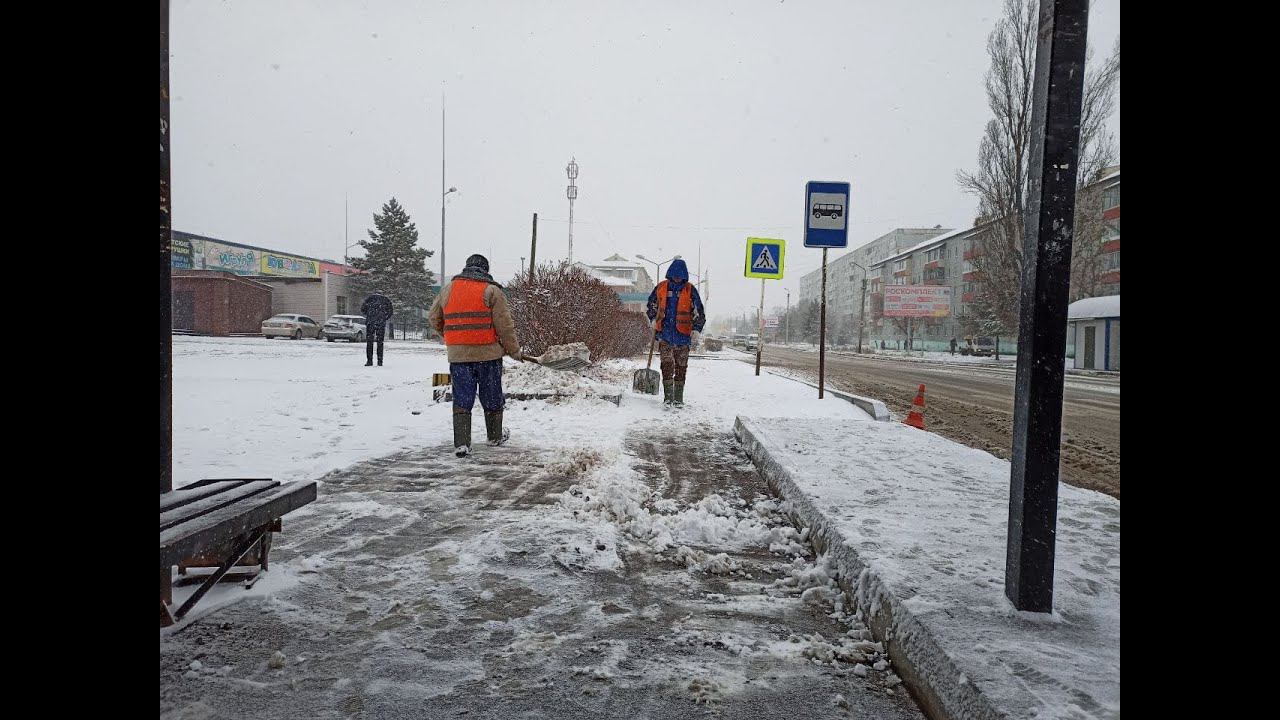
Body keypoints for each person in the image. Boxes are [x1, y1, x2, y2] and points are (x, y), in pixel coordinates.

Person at [428, 254, 521, 457]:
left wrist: (453, 336)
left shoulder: (448, 290)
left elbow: (434, 318)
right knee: (492, 395)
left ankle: (462, 443)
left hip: (459, 357)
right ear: (485, 270)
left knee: (462, 397)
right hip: (488, 355)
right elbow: (504, 325)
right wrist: (513, 350)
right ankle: (495, 436)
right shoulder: (491, 290)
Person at [645, 258, 706, 408]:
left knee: (681, 367)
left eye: (680, 276)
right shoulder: (661, 287)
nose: (677, 278)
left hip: (683, 336)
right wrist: (653, 319)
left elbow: (699, 312)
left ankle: (678, 399)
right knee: (666, 365)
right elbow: (651, 304)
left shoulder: (690, 290)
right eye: (675, 275)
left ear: (684, 276)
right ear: (670, 274)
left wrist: (696, 329)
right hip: (665, 334)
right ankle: (668, 397)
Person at [360, 291, 393, 366]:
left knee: (369, 342)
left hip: (370, 322)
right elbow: (390, 311)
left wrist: (369, 315)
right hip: (380, 323)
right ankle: (380, 361)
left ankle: (369, 361)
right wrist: (384, 317)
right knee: (380, 342)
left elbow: (363, 309)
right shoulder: (385, 299)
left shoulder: (369, 299)